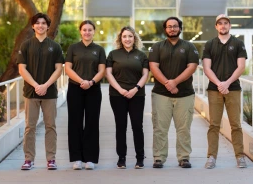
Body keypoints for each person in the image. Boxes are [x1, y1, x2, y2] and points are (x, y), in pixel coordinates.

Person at [149, 17, 199, 169]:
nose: (172, 29)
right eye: (169, 26)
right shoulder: (157, 47)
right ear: (165, 29)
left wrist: (174, 82)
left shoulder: (189, 47)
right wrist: (168, 84)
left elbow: (192, 66)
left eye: (175, 26)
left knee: (183, 128)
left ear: (180, 28)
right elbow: (153, 67)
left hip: (184, 94)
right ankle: (159, 158)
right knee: (160, 127)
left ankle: (184, 157)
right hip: (161, 95)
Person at [17, 13, 65, 170]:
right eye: (37, 23)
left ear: (48, 26)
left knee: (50, 126)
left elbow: (59, 69)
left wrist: (45, 85)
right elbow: (22, 69)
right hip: (31, 93)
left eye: (43, 23)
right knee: (30, 127)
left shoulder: (55, 46)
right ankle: (28, 159)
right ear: (33, 26)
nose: (40, 25)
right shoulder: (26, 45)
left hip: (49, 93)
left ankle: (51, 159)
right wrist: (36, 85)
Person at [202, 14, 248, 169]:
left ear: (230, 26)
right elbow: (206, 68)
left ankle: (240, 156)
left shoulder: (238, 43)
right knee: (214, 124)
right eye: (220, 23)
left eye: (225, 23)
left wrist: (227, 83)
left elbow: (241, 66)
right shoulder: (209, 44)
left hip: (233, 89)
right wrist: (219, 84)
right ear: (216, 26)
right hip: (214, 90)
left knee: (236, 124)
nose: (223, 26)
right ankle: (211, 157)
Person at [106, 26, 149, 169]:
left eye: (130, 36)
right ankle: (121, 158)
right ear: (120, 39)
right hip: (117, 95)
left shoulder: (141, 55)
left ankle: (140, 158)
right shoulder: (113, 54)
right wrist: (121, 90)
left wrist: (135, 89)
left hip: (137, 95)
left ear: (134, 38)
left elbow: (145, 75)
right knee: (121, 126)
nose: (127, 39)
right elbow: (109, 74)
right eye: (124, 36)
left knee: (137, 126)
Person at [65, 20, 106, 170]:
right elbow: (68, 68)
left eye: (90, 30)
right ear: (80, 32)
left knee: (92, 123)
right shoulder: (73, 48)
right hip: (75, 88)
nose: (87, 32)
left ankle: (90, 159)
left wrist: (91, 82)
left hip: (93, 89)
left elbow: (102, 70)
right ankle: (77, 158)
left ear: (94, 32)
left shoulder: (99, 49)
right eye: (84, 30)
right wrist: (82, 81)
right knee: (75, 123)